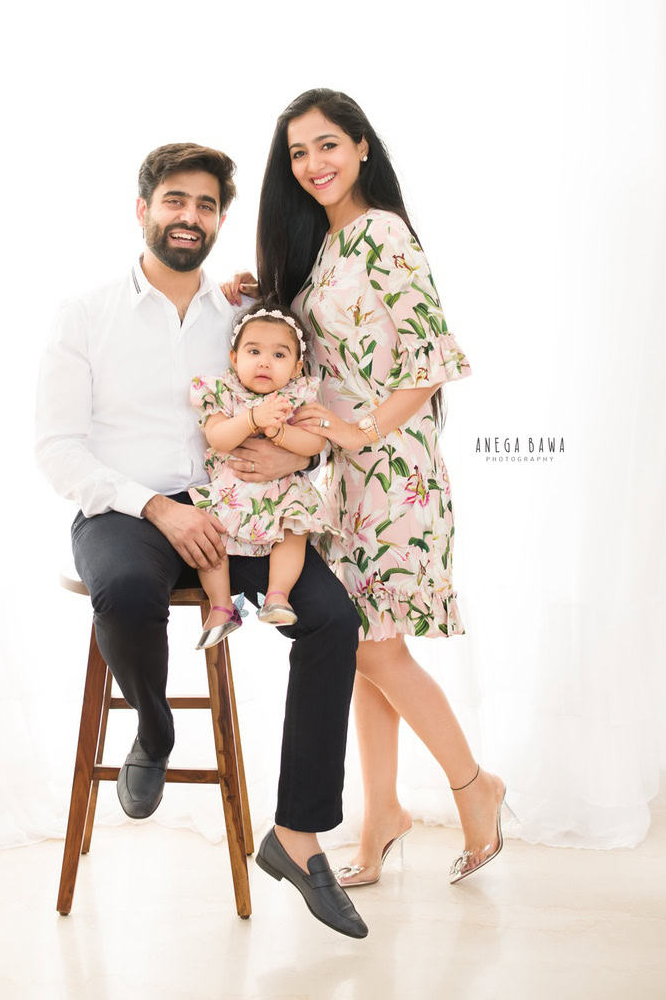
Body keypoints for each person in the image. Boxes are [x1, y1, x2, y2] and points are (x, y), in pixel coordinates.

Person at [34, 141, 368, 938]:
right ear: (143, 209)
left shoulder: (242, 313)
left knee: (332, 617)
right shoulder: (85, 315)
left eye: (207, 205)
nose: (191, 217)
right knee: (128, 587)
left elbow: (299, 409)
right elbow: (57, 447)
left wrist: (293, 449)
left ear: (221, 218)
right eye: (176, 201)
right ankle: (153, 726)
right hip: (126, 508)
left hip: (242, 506)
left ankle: (297, 832)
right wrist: (155, 505)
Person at [224, 88, 513, 887]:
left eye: (326, 146)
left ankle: (474, 787)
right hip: (342, 479)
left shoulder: (383, 233)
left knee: (379, 648)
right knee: (355, 647)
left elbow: (431, 356)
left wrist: (360, 433)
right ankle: (381, 812)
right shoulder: (327, 245)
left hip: (393, 472)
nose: (312, 165)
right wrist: (254, 297)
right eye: (297, 154)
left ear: (360, 147)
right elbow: (316, 355)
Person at [189, 300, 339, 649]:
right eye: (254, 351)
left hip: (283, 492)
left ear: (298, 366)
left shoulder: (297, 397)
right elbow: (217, 437)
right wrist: (254, 419)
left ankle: (277, 595)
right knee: (210, 538)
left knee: (293, 530)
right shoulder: (222, 391)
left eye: (279, 355)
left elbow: (315, 442)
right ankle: (222, 607)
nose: (264, 362)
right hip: (231, 492)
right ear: (234, 357)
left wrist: (281, 434)